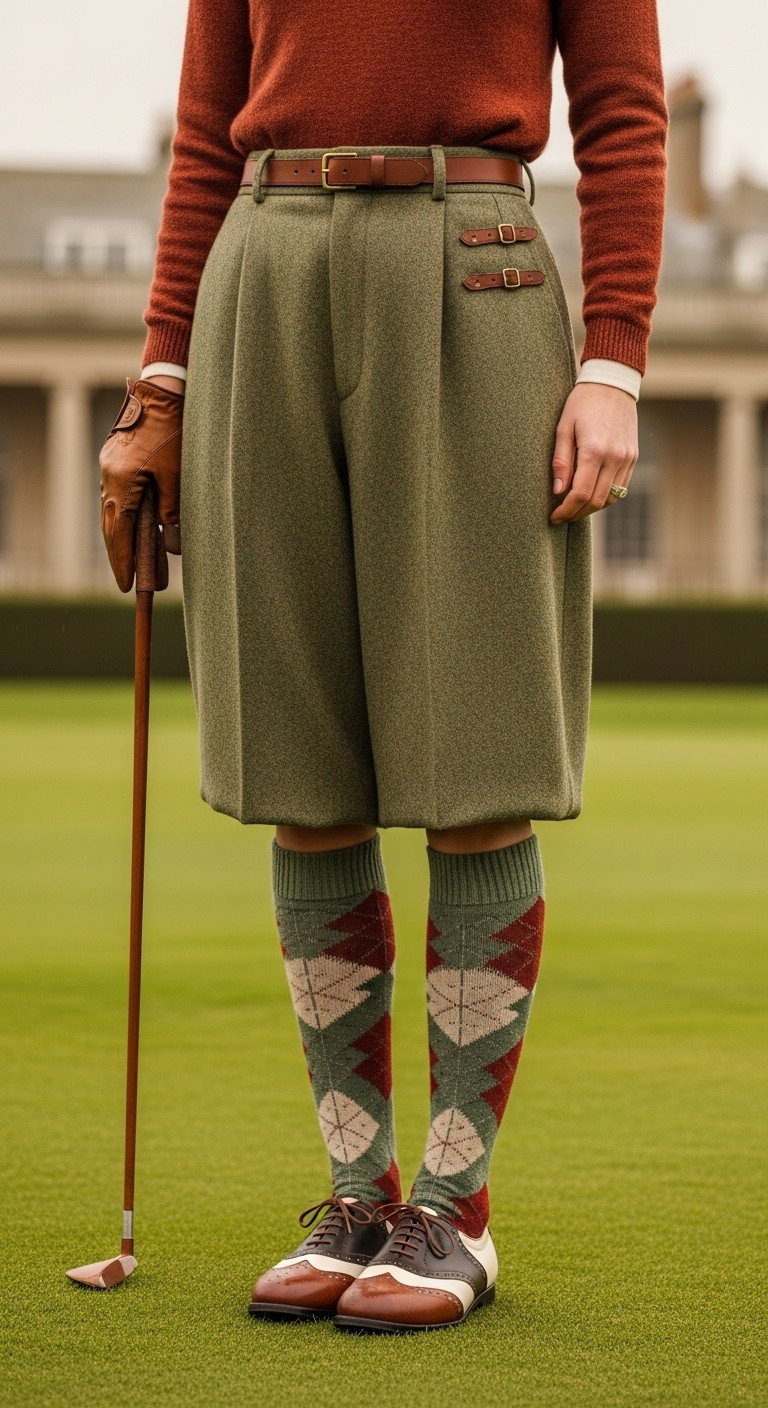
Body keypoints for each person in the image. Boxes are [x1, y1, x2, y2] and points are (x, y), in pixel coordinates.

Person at [98, 0, 668, 1333]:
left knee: (478, 750)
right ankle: (360, 1192)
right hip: (268, 262)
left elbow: (626, 116)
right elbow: (203, 135)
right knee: (302, 759)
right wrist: (161, 382)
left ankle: (455, 1215)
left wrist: (616, 365)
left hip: (474, 257)